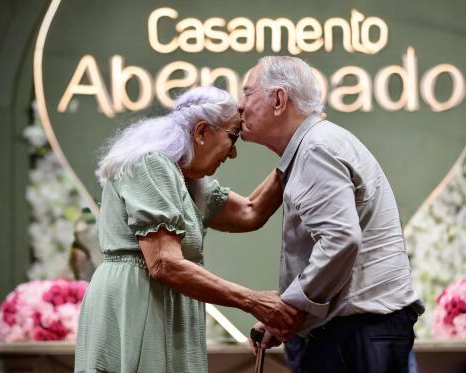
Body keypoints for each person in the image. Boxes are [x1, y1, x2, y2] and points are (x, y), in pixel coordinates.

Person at [74, 86, 302, 373]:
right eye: (232, 137)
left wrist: (297, 147)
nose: (232, 153)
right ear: (202, 131)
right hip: (137, 303)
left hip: (165, 304)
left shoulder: (188, 179)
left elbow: (251, 211)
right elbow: (163, 263)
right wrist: (252, 300)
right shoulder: (151, 164)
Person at [240, 56, 424, 373]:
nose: (239, 106)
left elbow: (341, 239)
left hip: (356, 335)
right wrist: (288, 313)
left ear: (279, 100)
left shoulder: (316, 148)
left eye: (247, 93)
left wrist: (291, 307)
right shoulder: (317, 144)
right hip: (358, 331)